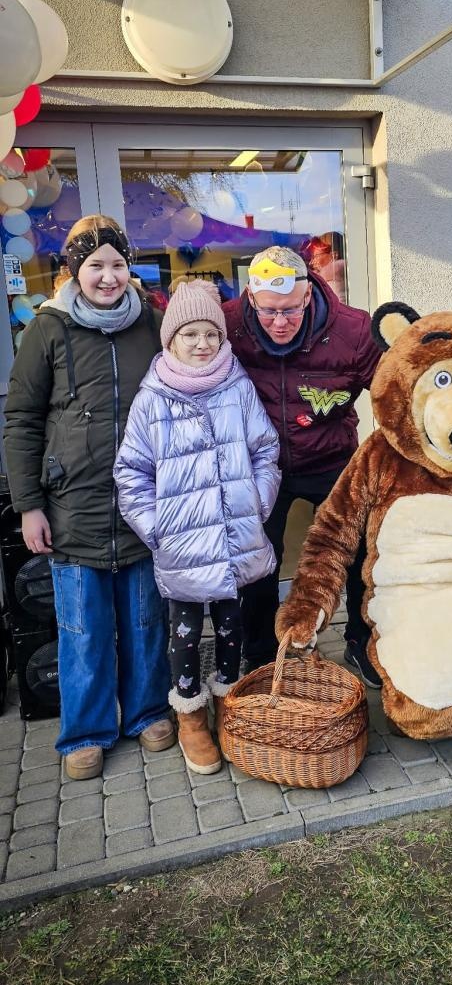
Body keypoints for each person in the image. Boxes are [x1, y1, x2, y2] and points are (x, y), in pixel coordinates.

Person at [4, 215, 175, 780]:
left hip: (143, 502)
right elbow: (22, 419)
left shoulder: (152, 324)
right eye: (95, 265)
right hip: (72, 504)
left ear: (131, 269)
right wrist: (29, 504)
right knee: (84, 629)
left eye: (117, 265)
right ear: (74, 270)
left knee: (146, 619)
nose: (107, 277)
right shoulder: (48, 330)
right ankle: (86, 731)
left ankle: (148, 711)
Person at [114, 280, 280, 774]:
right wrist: (158, 529)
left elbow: (265, 451)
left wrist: (257, 502)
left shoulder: (238, 385)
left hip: (233, 540)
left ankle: (228, 702)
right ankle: (190, 714)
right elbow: (131, 473)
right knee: (185, 634)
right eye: (190, 334)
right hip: (182, 545)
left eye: (210, 332)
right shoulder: (153, 399)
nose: (202, 343)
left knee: (232, 628)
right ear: (171, 340)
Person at [223, 245, 383, 685]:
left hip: (331, 454)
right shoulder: (227, 324)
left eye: (291, 310)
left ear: (309, 294)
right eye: (269, 311)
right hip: (259, 464)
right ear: (252, 299)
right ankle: (257, 653)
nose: (279, 322)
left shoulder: (353, 329)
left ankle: (360, 639)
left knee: (358, 551)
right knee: (258, 558)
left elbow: (391, 392)